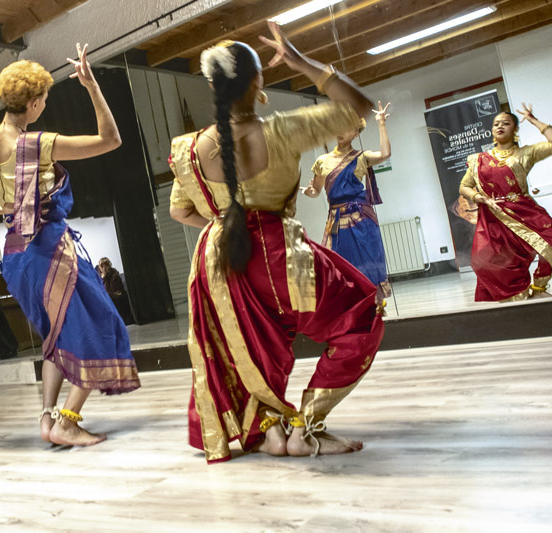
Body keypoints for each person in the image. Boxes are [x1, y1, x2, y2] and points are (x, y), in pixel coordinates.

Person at [168, 24, 384, 464]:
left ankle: (267, 431)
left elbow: (180, 211)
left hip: (219, 261)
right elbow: (357, 107)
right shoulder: (283, 129)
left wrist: (226, 225)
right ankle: (306, 426)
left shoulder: (185, 150)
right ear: (257, 82)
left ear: (212, 87)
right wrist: (301, 62)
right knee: (362, 312)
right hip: (278, 254)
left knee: (251, 345)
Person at [0, 45, 140, 447]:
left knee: (55, 336)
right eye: (45, 100)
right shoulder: (38, 143)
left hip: (16, 260)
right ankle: (68, 422)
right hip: (49, 250)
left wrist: (2, 206)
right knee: (102, 326)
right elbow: (111, 139)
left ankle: (47, 417)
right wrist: (92, 87)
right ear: (34, 103)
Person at [459, 105, 552, 302]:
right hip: (494, 217)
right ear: (492, 130)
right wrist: (478, 198)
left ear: (515, 129)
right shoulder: (478, 160)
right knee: (490, 261)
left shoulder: (526, 154)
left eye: (506, 123)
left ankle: (539, 286)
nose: (500, 126)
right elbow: (464, 186)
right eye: (496, 124)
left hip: (523, 212)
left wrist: (534, 120)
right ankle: (518, 295)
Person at [302, 101, 392, 298]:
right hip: (335, 220)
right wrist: (309, 192)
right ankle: (349, 308)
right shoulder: (322, 161)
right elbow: (316, 190)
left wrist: (381, 123)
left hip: (361, 219)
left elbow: (385, 154)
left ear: (356, 134)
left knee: (368, 262)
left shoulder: (361, 157)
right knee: (339, 264)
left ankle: (374, 308)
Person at [97, 257, 133, 324]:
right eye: (102, 266)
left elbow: (110, 290)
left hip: (118, 298)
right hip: (111, 296)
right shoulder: (99, 277)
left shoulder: (114, 275)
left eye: (106, 265)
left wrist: (104, 278)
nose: (104, 268)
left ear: (109, 266)